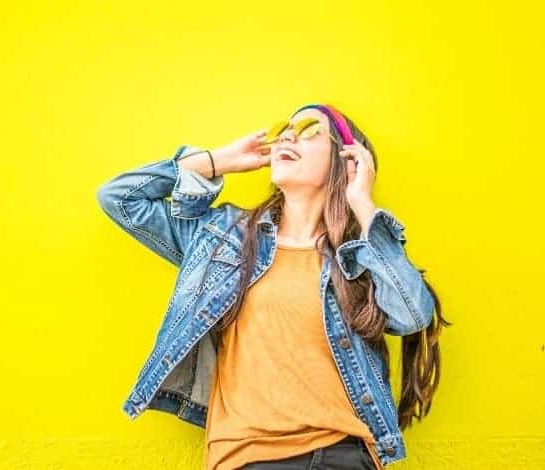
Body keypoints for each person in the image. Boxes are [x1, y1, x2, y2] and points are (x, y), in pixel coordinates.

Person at [97, 103, 451, 469]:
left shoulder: (359, 258)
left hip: (346, 455)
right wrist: (219, 161)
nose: (287, 135)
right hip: (248, 457)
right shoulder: (223, 238)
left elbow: (412, 315)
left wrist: (362, 202)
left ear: (347, 161)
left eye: (310, 129)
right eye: (284, 128)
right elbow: (119, 198)